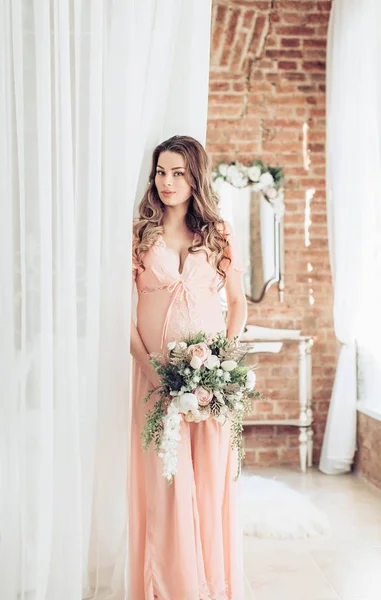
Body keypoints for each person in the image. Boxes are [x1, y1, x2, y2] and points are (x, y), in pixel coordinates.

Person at [129, 135, 247, 600]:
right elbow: (120, 312)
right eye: (161, 172)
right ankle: (169, 587)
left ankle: (209, 585)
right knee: (166, 482)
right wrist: (151, 368)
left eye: (178, 172)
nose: (167, 182)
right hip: (155, 379)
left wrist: (223, 364)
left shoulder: (218, 234)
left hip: (210, 384)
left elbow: (236, 304)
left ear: (195, 176)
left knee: (209, 483)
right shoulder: (141, 235)